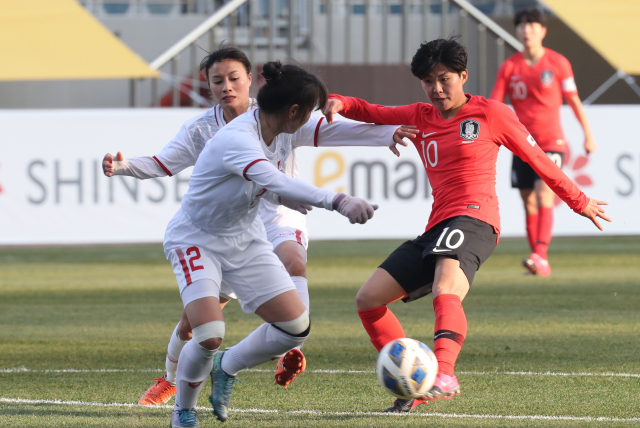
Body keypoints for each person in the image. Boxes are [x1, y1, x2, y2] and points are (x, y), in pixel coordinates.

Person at [103, 47, 414, 408]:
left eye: (234, 77)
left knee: (294, 262)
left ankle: (290, 349)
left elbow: (330, 131)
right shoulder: (209, 129)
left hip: (279, 206)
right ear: (208, 86)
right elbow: (164, 162)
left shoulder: (282, 111)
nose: (227, 86)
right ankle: (170, 380)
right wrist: (125, 167)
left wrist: (386, 134)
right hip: (231, 218)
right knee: (198, 322)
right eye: (217, 80)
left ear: (251, 79)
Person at [323, 37, 610, 413]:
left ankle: (444, 372)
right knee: (368, 300)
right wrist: (341, 101)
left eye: (444, 79)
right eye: (428, 81)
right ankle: (416, 382)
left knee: (446, 285)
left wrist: (579, 201)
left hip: (476, 218)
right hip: (438, 225)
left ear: (463, 76)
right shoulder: (419, 115)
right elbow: (372, 111)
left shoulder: (492, 113)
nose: (437, 89)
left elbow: (539, 159)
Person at [490, 8, 597, 276]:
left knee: (543, 193)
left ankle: (539, 254)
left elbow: (573, 99)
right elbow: (493, 104)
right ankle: (539, 259)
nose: (526, 31)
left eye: (532, 25)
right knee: (528, 201)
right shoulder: (509, 66)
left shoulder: (558, 63)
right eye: (522, 26)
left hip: (551, 141)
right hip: (520, 143)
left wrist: (588, 133)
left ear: (543, 31)